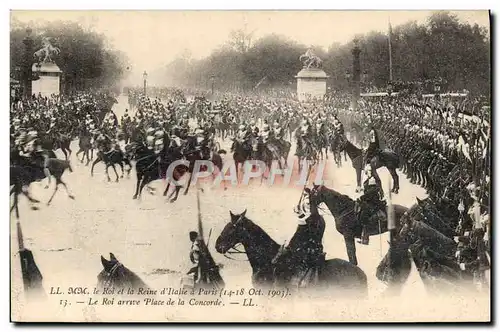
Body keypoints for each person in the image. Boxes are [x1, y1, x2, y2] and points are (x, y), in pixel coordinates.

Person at [273, 188, 326, 288]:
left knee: (280, 262)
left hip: (307, 253)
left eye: (308, 204)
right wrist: (300, 214)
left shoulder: (307, 220)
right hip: (317, 250)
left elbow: (298, 236)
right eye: (306, 204)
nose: (306, 206)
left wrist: (286, 249)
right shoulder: (320, 218)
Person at [357, 166, 386, 245]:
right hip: (371, 200)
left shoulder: (373, 180)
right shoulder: (369, 180)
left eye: (368, 172)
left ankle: (366, 238)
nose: (367, 173)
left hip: (374, 203)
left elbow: (370, 193)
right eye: (367, 172)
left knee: (364, 216)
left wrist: (361, 198)